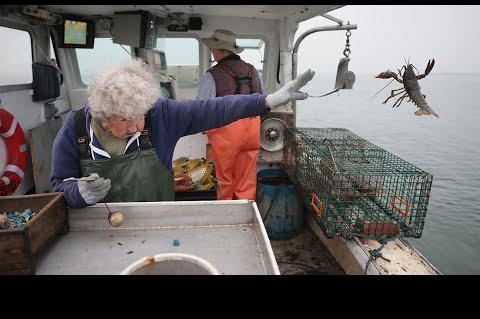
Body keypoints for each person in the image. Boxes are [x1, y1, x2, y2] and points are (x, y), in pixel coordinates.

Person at [50, 57, 315, 208]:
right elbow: (60, 185)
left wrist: (266, 101)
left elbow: (212, 108)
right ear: (103, 117)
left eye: (138, 117)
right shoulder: (74, 131)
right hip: (98, 228)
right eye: (124, 120)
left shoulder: (159, 114)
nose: (135, 127)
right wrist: (78, 193)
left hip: (161, 221)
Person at [196, 29, 265, 200]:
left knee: (223, 178)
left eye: (213, 49)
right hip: (252, 128)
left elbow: (200, 107)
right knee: (246, 179)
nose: (212, 53)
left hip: (226, 131)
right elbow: (264, 100)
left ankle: (225, 217)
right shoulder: (253, 71)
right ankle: (245, 214)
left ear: (220, 50)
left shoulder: (213, 75)